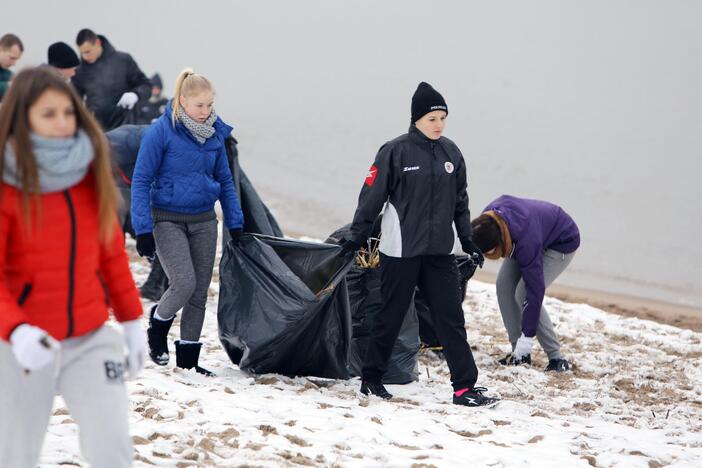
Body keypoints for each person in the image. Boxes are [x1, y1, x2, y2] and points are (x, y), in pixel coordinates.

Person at [0, 67, 146, 467]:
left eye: (68, 111)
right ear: (21, 117)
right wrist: (17, 330)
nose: (63, 122)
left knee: (112, 446)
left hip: (89, 336)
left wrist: (132, 322)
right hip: (22, 344)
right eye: (48, 114)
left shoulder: (88, 169)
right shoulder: (6, 183)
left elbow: (110, 254)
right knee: (16, 454)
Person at [339, 82, 498, 407]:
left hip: (439, 252)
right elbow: (371, 198)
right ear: (416, 120)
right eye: (432, 118)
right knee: (390, 315)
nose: (438, 124)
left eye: (442, 118)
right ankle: (372, 379)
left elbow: (461, 202)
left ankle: (464, 388)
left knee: (450, 319)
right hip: (400, 251)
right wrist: (355, 237)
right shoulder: (395, 151)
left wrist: (468, 241)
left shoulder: (451, 153)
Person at [131, 68, 244, 376]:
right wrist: (142, 229)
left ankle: (189, 362)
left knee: (198, 292)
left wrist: (235, 221)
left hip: (205, 219)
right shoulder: (162, 131)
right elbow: (141, 180)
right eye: (199, 106)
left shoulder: (215, 133)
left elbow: (224, 179)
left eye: (210, 105)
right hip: (167, 219)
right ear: (182, 101)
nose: (206, 111)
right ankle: (158, 325)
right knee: (183, 282)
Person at [471, 195, 580, 372]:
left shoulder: (526, 243)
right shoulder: (486, 221)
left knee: (523, 292)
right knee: (504, 286)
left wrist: (527, 336)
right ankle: (519, 354)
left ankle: (556, 357)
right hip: (529, 232)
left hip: (561, 242)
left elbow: (534, 291)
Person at [72, 29, 151, 130]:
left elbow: (146, 85)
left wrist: (135, 94)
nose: (85, 57)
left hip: (125, 129)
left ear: (97, 43)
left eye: (88, 52)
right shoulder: (80, 71)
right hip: (97, 131)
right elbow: (73, 99)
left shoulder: (123, 61)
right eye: (82, 53)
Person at [0, 33, 23, 101]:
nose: (14, 63)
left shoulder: (9, 74)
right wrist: (9, 86)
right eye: (12, 58)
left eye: (16, 59)